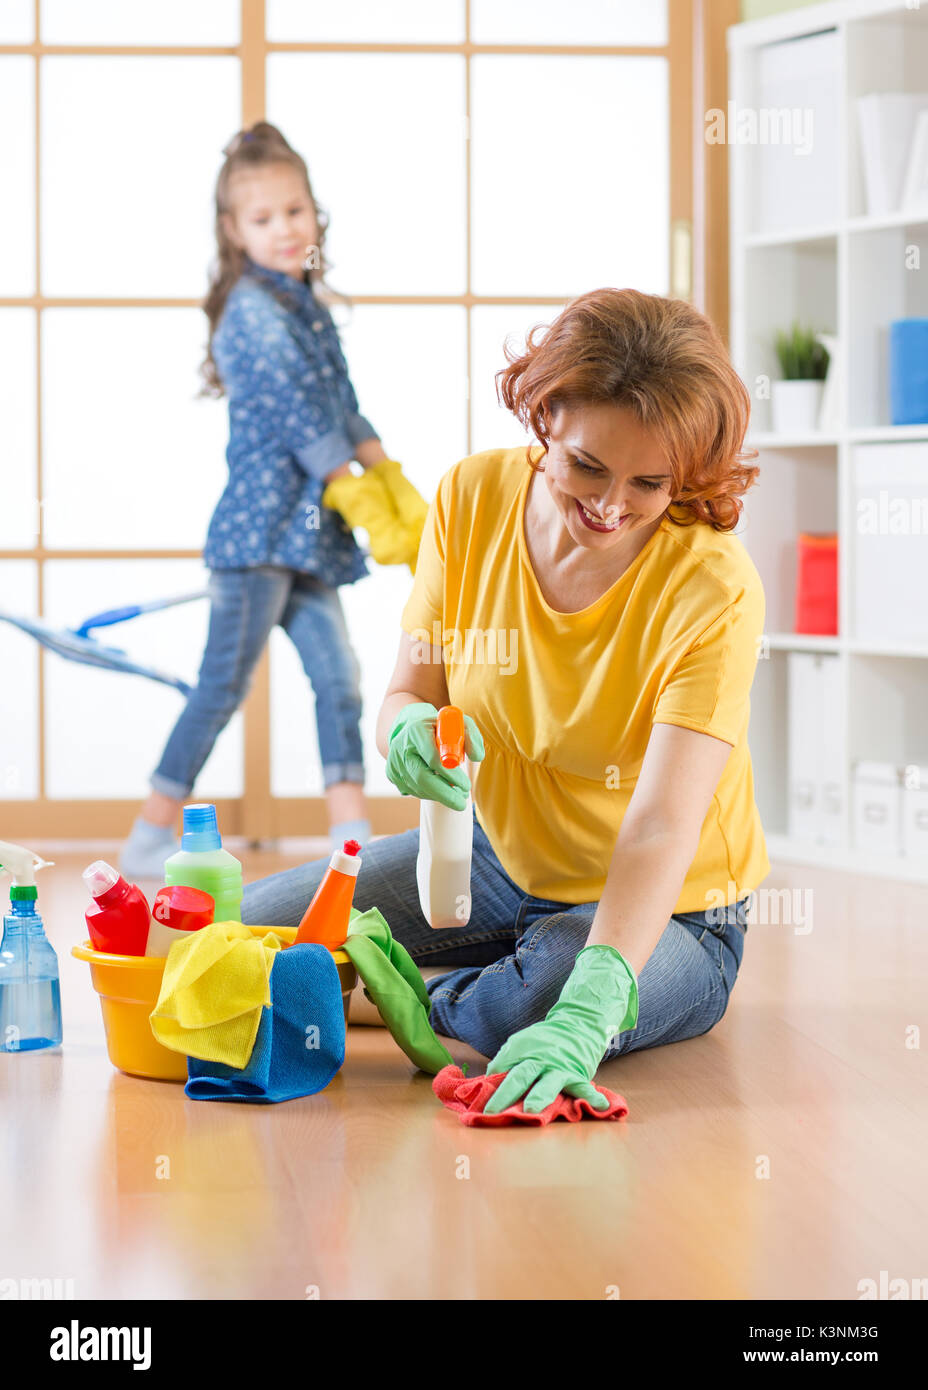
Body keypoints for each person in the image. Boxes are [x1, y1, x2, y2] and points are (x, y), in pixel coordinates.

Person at [239, 287, 770, 1114]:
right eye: (588, 465)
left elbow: (664, 822)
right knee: (255, 933)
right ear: (546, 413)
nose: (610, 505)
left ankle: (411, 995)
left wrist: (593, 1003)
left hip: (674, 909)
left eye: (649, 483)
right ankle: (437, 984)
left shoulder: (712, 588)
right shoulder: (471, 499)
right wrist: (407, 731)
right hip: (493, 855)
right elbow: (409, 692)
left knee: (553, 995)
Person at [121, 122, 427, 879]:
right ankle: (148, 836)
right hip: (260, 539)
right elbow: (300, 417)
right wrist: (359, 490)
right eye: (263, 219)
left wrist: (390, 475)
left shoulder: (306, 303)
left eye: (295, 211)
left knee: (338, 680)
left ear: (314, 212)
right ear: (233, 231)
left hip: (309, 538)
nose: (285, 229)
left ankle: (350, 840)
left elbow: (343, 404)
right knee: (223, 684)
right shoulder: (252, 312)